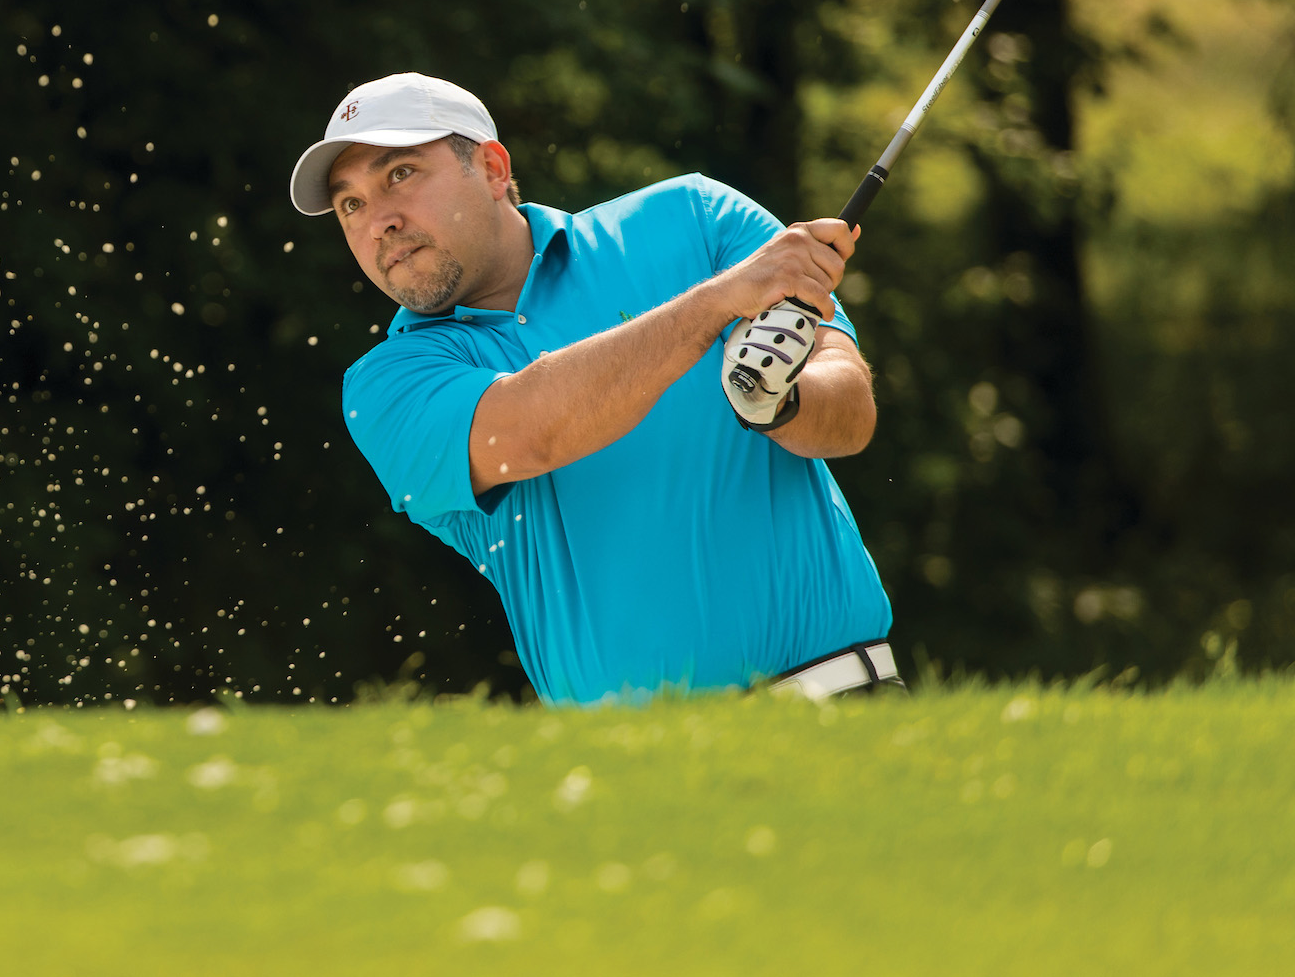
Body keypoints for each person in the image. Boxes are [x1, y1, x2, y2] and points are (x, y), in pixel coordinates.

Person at [289, 72, 898, 705]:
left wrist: (780, 401)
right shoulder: (386, 384)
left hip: (839, 702)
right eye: (350, 205)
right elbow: (529, 433)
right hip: (628, 759)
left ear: (492, 169)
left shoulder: (695, 216)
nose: (379, 223)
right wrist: (715, 304)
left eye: (400, 174)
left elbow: (851, 413)